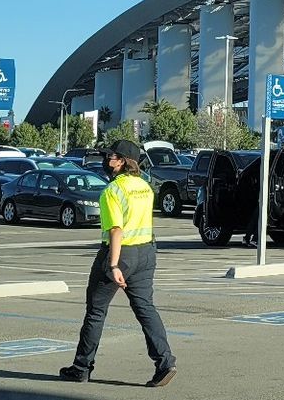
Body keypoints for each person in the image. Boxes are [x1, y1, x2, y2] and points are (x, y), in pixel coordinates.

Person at [62, 140, 178, 388]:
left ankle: (81, 367)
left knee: (96, 310)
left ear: (123, 161)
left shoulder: (112, 191)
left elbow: (116, 229)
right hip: (146, 252)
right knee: (145, 308)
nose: (106, 161)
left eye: (110, 157)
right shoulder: (145, 187)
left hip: (119, 254)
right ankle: (165, 362)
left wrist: (114, 265)